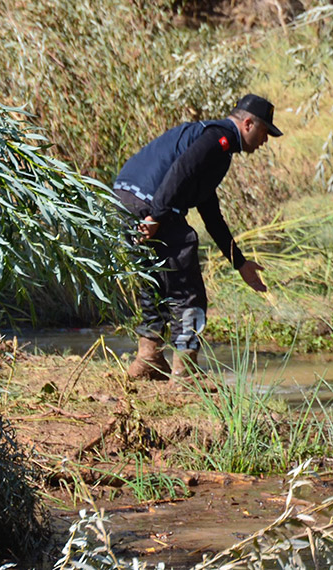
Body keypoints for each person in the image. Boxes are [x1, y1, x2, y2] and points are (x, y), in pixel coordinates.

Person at [112, 93, 281, 382]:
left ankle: (149, 358)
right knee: (187, 292)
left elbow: (210, 211)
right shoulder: (219, 139)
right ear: (249, 124)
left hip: (125, 199)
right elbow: (181, 170)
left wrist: (239, 262)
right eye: (266, 132)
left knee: (154, 280)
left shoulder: (212, 139)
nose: (265, 141)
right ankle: (185, 371)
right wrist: (157, 215)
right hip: (150, 204)